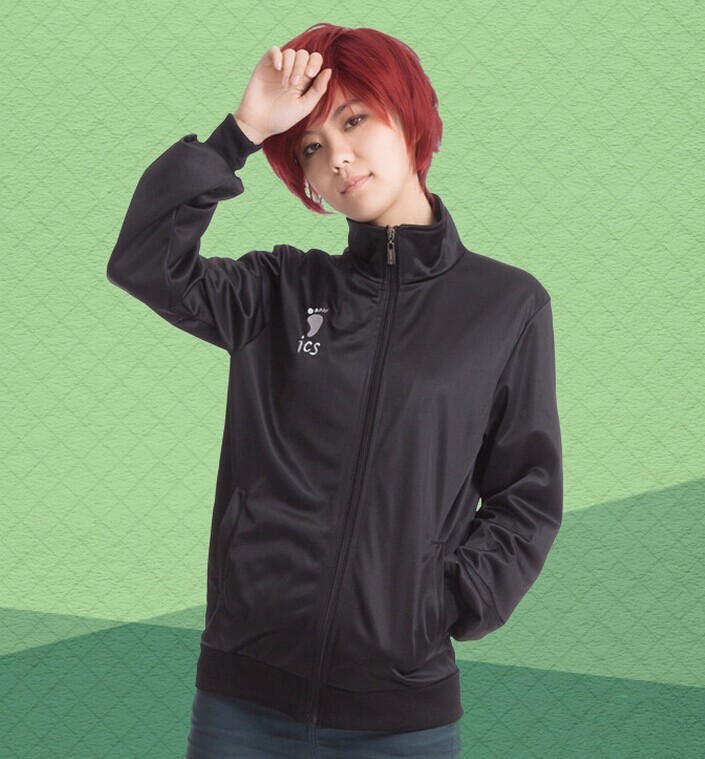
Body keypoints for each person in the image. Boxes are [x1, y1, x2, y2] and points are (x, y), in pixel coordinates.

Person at [107, 22, 563, 759]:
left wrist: (445, 602)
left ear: (408, 116)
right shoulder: (280, 290)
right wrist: (241, 132)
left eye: (354, 121)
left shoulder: (506, 306)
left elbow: (527, 492)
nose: (337, 158)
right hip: (242, 702)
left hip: (402, 714)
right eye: (311, 149)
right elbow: (144, 262)